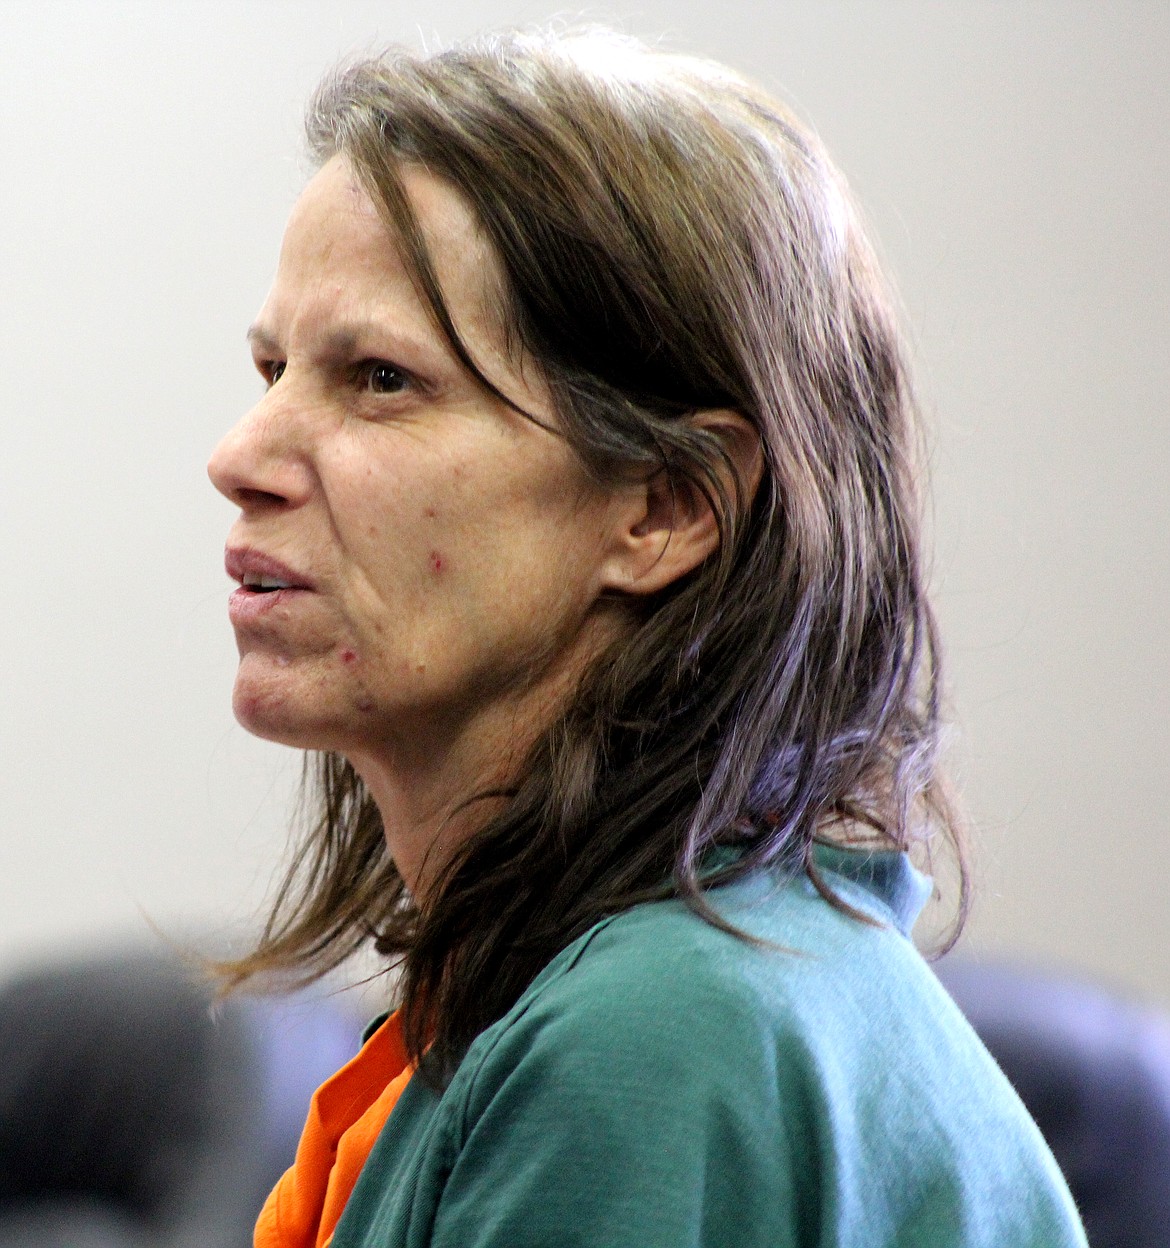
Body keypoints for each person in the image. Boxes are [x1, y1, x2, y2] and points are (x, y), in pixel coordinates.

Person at [207, 27, 1088, 1248]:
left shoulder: (654, 1039)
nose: (241, 457)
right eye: (272, 368)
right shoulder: (665, 983)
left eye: (381, 379)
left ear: (666, 507)